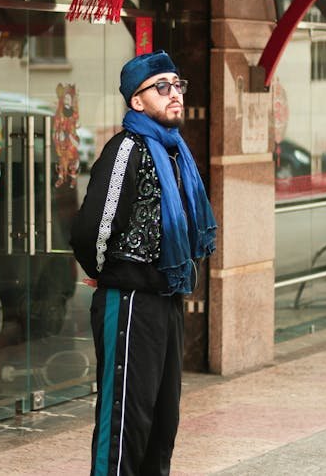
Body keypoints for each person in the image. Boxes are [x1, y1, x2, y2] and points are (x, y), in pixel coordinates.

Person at [70, 50, 217, 476]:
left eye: (178, 85)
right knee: (125, 423)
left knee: (162, 420)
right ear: (137, 101)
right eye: (162, 87)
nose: (176, 95)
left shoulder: (174, 153)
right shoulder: (127, 149)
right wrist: (110, 275)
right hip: (130, 301)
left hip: (166, 299)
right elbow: (91, 229)